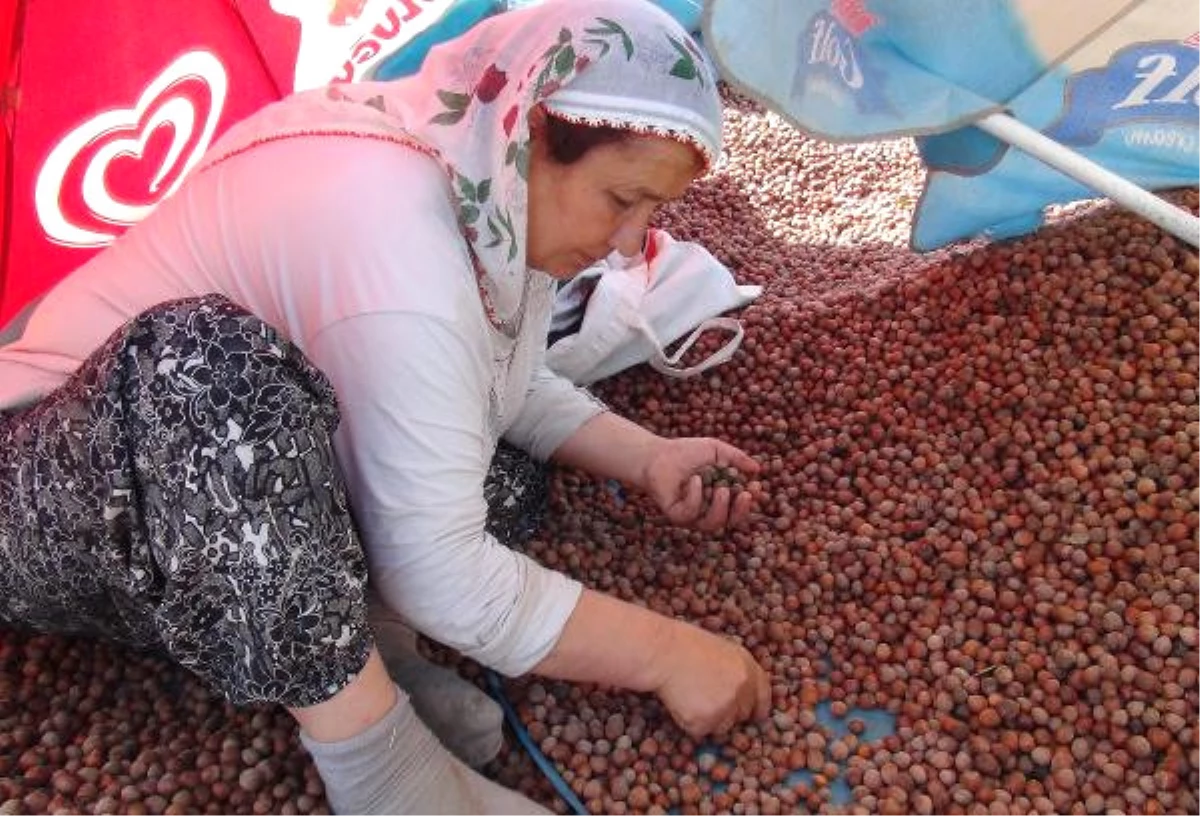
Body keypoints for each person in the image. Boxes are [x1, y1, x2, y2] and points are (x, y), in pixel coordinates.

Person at [0, 0, 772, 812]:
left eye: (652, 213)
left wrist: (644, 454)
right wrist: (671, 655)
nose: (630, 245)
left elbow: (481, 373)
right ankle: (384, 773)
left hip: (207, 520)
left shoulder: (478, 172)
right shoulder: (397, 233)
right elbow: (441, 571)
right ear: (534, 132)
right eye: (622, 200)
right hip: (54, 487)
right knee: (210, 373)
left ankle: (358, 652)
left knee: (498, 478)